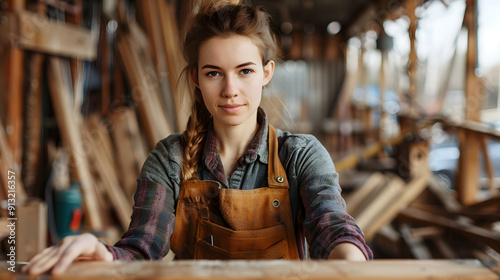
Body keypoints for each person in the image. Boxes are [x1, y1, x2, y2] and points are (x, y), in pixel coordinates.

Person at [22, 1, 372, 275]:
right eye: (214, 73)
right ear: (196, 78)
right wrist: (104, 251)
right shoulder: (170, 159)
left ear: (266, 73)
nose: (230, 90)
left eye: (245, 71)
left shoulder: (301, 156)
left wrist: (348, 259)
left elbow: (333, 228)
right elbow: (142, 249)